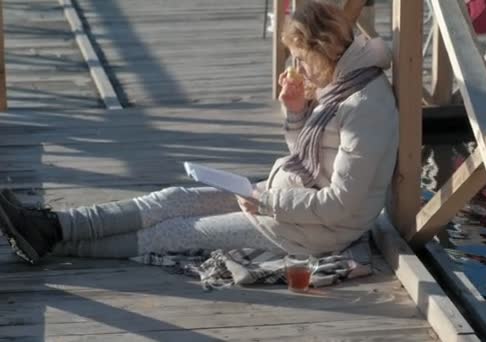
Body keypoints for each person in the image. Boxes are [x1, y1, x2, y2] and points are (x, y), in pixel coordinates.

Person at [0, 2, 398, 265]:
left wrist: (268, 202)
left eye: (301, 57)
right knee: (170, 200)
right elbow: (311, 160)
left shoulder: (365, 106)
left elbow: (341, 204)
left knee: (169, 233)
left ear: (324, 48)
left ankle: (49, 241)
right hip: (283, 200)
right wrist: (296, 113)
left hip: (311, 232)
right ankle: (54, 225)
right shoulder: (342, 84)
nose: (298, 67)